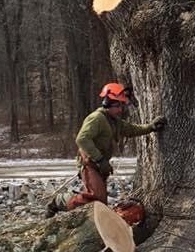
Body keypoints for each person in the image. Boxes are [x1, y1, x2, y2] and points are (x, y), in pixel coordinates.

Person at [46, 82, 166, 216]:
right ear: (108, 104)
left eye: (121, 105)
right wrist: (100, 159)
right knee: (96, 198)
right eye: (118, 106)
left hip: (100, 165)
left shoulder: (114, 121)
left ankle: (86, 221)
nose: (121, 109)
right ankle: (59, 202)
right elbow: (82, 139)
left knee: (99, 203)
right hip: (89, 164)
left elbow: (131, 129)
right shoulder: (97, 119)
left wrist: (150, 127)